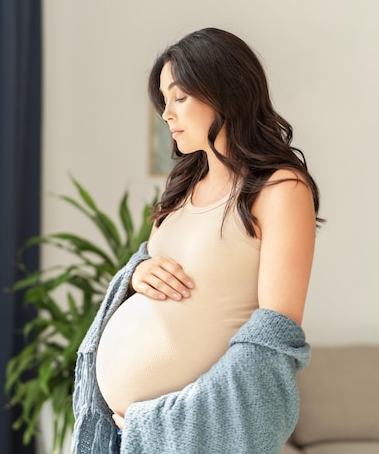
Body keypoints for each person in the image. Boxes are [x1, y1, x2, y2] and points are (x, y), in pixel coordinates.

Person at [72, 28, 321, 454]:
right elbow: (150, 267)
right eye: (163, 102)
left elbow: (272, 337)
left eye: (179, 97)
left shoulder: (279, 188)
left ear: (224, 91)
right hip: (121, 433)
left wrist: (164, 420)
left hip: (185, 431)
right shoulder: (183, 185)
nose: (166, 114)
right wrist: (137, 273)